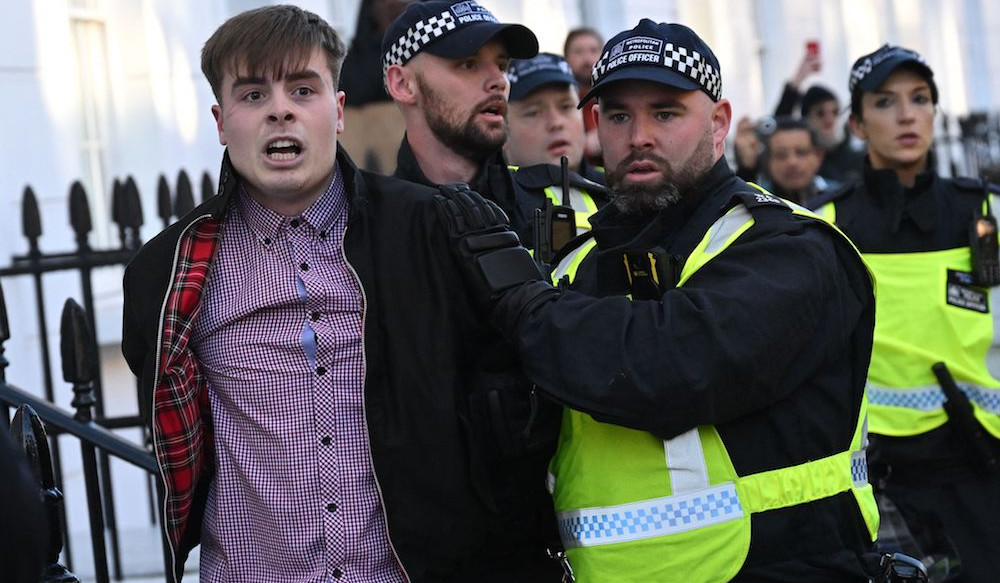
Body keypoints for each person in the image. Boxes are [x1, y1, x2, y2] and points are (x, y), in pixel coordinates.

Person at [121, 6, 561, 583]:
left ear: (339, 112)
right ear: (221, 122)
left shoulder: (435, 230)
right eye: (252, 96)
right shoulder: (169, 272)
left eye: (303, 89)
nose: (281, 109)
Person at [434, 19, 880, 582]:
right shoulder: (576, 263)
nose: (638, 135)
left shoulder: (789, 247)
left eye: (665, 113)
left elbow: (667, 368)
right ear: (596, 125)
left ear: (719, 123)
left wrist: (520, 298)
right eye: (619, 115)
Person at [809, 44, 1000, 582]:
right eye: (886, 102)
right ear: (857, 123)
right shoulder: (824, 224)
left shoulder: (985, 211)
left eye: (920, 99)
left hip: (979, 462)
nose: (907, 114)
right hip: (877, 473)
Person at [381, 0, 542, 244]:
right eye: (469, 64)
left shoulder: (552, 203)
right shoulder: (376, 229)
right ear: (403, 85)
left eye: (502, 65)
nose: (499, 80)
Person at [504, 52, 608, 237]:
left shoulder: (619, 188)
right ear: (502, 127)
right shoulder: (493, 205)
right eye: (533, 112)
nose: (556, 122)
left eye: (566, 106)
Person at [760, 116, 831, 206]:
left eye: (801, 152)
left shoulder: (841, 198)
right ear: (768, 161)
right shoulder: (755, 201)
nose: (792, 162)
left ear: (818, 156)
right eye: (781, 155)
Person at [563, 27, 604, 165]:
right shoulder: (560, 103)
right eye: (578, 52)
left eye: (593, 50)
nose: (587, 59)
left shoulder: (618, 95)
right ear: (566, 58)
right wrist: (585, 147)